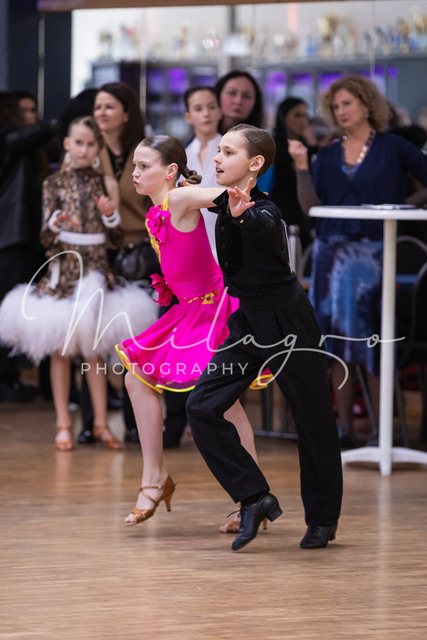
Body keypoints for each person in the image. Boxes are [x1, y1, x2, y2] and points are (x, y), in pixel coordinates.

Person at [186, 124, 343, 552]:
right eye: (218, 150)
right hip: (249, 323)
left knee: (312, 419)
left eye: (228, 152)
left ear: (254, 163)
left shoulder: (264, 210)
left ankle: (323, 519)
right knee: (201, 405)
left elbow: (262, 223)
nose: (217, 158)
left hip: (288, 321)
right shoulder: (226, 199)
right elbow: (202, 199)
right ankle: (255, 497)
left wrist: (243, 215)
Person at [115, 134, 260, 527]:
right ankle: (155, 478)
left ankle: (252, 498)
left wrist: (239, 191)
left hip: (213, 311)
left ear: (170, 171)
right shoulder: (156, 209)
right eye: (134, 166)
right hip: (188, 312)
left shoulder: (178, 198)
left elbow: (221, 196)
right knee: (136, 379)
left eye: (144, 166)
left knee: (224, 402)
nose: (135, 173)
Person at [0, 116, 156, 450]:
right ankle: (62, 423)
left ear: (97, 147)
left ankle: (100, 423)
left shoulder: (105, 183)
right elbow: (45, 237)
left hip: (96, 271)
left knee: (93, 351)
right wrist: (56, 222)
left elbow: (115, 238)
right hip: (64, 273)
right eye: (79, 143)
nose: (84, 149)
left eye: (91, 144)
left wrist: (110, 214)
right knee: (61, 349)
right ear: (68, 144)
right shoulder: (54, 183)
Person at [288, 74, 427, 448]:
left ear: (367, 105)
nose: (340, 111)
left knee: (374, 339)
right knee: (335, 342)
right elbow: (310, 206)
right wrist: (301, 166)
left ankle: (383, 433)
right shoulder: (327, 154)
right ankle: (345, 430)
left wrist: (401, 207)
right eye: (335, 106)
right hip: (330, 256)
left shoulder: (393, 147)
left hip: (374, 255)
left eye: (347, 103)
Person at [76, 81, 158, 445]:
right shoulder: (88, 151)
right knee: (90, 337)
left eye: (109, 106)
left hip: (138, 252)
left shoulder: (145, 151)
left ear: (127, 113)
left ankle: (134, 422)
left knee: (134, 339)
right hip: (96, 253)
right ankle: (90, 421)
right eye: (97, 107)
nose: (101, 113)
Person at [0, 91, 58, 402]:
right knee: (7, 308)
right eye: (22, 110)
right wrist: (60, 122)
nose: (30, 116)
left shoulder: (30, 149)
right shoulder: (8, 139)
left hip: (25, 239)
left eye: (33, 110)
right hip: (10, 239)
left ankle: (15, 377)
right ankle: (6, 378)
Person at [270, 97, 317, 249]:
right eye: (297, 115)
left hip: (304, 217)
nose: (303, 120)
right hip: (279, 214)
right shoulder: (273, 147)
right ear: (284, 118)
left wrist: (313, 145)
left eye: (305, 115)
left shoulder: (308, 148)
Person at [214, 70, 264, 135]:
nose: (238, 101)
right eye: (231, 93)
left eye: (246, 96)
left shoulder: (262, 140)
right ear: (218, 95)